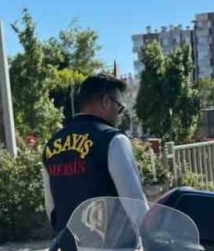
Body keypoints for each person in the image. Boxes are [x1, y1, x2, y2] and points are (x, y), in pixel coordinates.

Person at [42, 73, 147, 231]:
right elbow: (134, 202)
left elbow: (51, 208)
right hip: (114, 250)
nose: (119, 114)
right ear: (106, 101)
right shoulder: (113, 139)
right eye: (119, 107)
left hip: (71, 250)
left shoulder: (51, 145)